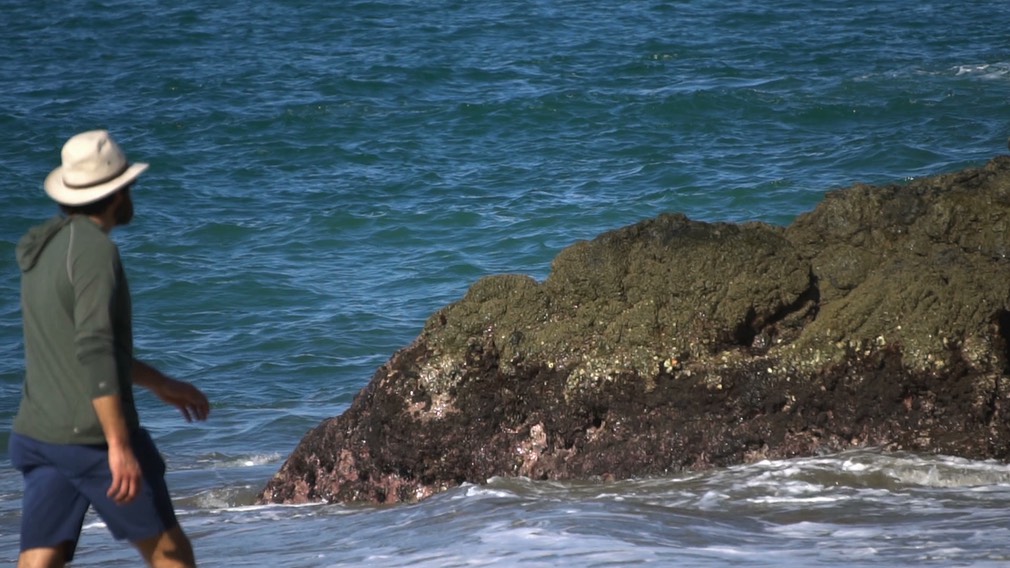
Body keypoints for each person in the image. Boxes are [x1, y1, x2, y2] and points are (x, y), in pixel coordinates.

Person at [9, 130, 211, 568]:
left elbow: (75, 349)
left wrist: (160, 383)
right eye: (129, 185)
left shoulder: (41, 249)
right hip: (91, 438)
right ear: (116, 193)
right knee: (172, 556)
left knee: (40, 560)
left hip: (39, 435)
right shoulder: (95, 252)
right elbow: (96, 351)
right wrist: (119, 445)